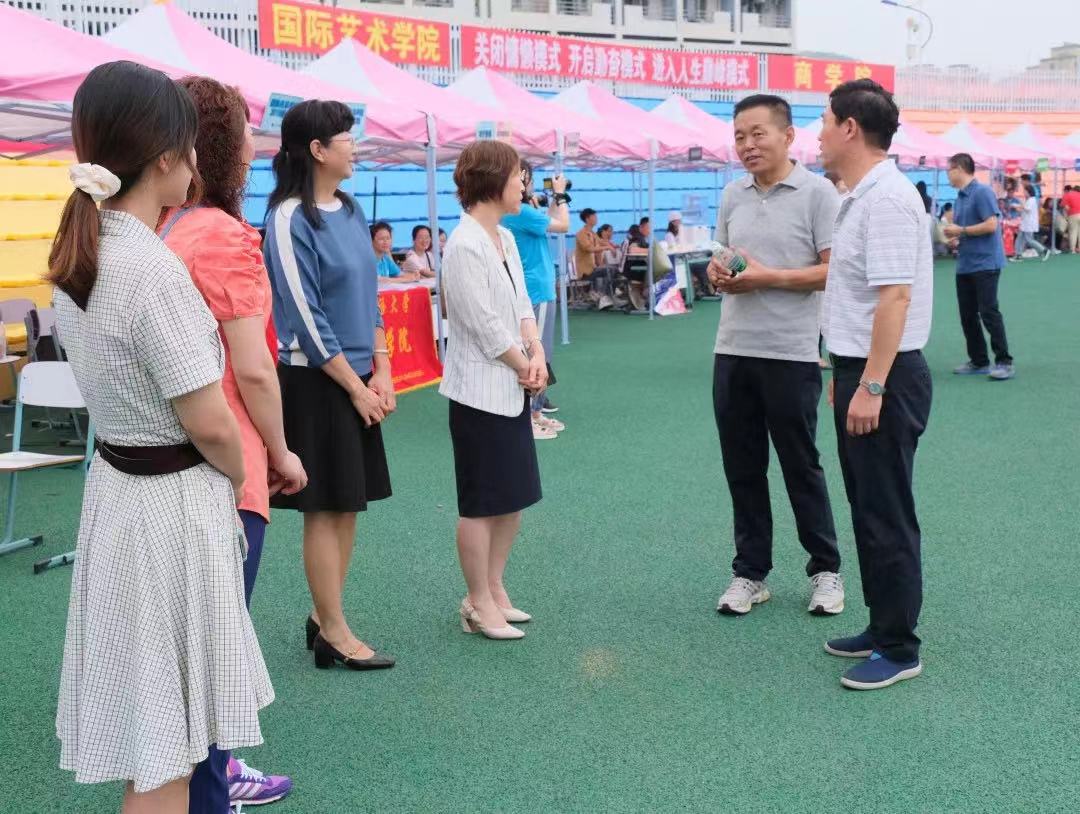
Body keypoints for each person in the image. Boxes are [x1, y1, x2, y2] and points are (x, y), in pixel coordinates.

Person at [51, 61, 273, 812]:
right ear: (168, 157)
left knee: (148, 735)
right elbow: (209, 420)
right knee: (167, 750)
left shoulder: (85, 254)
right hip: (169, 508)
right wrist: (240, 468)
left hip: (119, 491)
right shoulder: (150, 267)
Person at [159, 75, 306, 812]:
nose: (255, 145)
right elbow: (252, 367)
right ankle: (210, 788)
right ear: (218, 144)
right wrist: (281, 451)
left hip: (170, 464)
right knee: (215, 656)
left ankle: (207, 776)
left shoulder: (163, 228)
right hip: (226, 464)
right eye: (246, 130)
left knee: (189, 657)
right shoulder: (218, 233)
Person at [263, 100, 397, 671]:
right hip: (316, 382)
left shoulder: (350, 208)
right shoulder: (288, 217)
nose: (354, 146)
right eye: (346, 137)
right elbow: (305, 316)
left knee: (347, 505)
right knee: (324, 508)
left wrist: (382, 368)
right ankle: (335, 631)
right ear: (317, 150)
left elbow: (369, 296)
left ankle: (324, 619)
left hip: (360, 376)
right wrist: (355, 387)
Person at [707, 94, 844, 618]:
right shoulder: (732, 194)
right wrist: (719, 274)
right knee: (742, 468)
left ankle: (826, 569)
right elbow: (724, 259)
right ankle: (750, 573)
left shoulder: (819, 194)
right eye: (739, 136)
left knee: (800, 466)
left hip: (791, 353)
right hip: (732, 350)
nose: (747, 145)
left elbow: (834, 270)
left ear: (788, 136)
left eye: (757, 133)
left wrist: (768, 278)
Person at [818, 78, 933, 691]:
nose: (817, 134)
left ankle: (899, 647)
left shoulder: (885, 199)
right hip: (862, 369)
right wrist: (846, 374)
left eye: (823, 121)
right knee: (867, 506)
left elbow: (894, 299)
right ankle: (882, 624)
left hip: (885, 373)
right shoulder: (861, 195)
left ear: (850, 128)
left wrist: (872, 385)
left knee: (886, 511)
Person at [440, 139, 547, 640]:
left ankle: (494, 587)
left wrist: (536, 351)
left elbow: (521, 304)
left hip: (512, 387)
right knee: (481, 504)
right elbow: (481, 324)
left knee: (513, 498)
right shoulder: (463, 244)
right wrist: (525, 363)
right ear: (492, 180)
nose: (523, 184)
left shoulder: (503, 237)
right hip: (478, 394)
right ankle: (477, 601)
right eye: (517, 175)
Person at [500, 160, 569, 438]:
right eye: (524, 178)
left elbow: (549, 221)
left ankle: (536, 412)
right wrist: (561, 195)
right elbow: (563, 225)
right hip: (536, 289)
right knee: (535, 354)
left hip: (539, 288)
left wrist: (552, 200)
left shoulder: (525, 212)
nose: (525, 185)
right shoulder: (522, 212)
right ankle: (528, 416)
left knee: (543, 354)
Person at [943, 153, 1015, 381]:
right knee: (967, 315)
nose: (947, 175)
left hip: (985, 263)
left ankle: (1004, 361)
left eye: (948, 170)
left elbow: (992, 225)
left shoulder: (982, 192)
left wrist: (961, 231)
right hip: (966, 263)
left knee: (988, 312)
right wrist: (957, 238)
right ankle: (979, 360)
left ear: (959, 169)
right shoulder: (960, 197)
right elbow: (969, 229)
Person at [575, 208, 615, 310]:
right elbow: (589, 248)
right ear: (587, 219)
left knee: (613, 269)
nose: (596, 218)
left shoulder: (592, 233)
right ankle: (603, 296)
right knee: (609, 270)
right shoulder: (581, 234)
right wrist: (607, 247)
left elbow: (601, 242)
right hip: (585, 272)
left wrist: (613, 246)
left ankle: (604, 296)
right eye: (594, 216)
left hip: (592, 268)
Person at [1014, 183, 1051, 262]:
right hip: (1026, 223)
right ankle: (1018, 255)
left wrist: (1018, 206)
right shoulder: (1030, 200)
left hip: (1028, 224)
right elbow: (1026, 210)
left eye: (1025, 191)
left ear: (1028, 192)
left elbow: (1027, 209)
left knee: (1029, 240)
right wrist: (1019, 208)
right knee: (1020, 239)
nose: (1024, 193)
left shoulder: (1032, 200)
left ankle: (1044, 250)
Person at [1062, 183, 1080, 253]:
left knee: (1073, 232)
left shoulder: (1067, 195)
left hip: (1073, 215)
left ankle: (1072, 249)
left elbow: (1065, 207)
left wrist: (1067, 215)